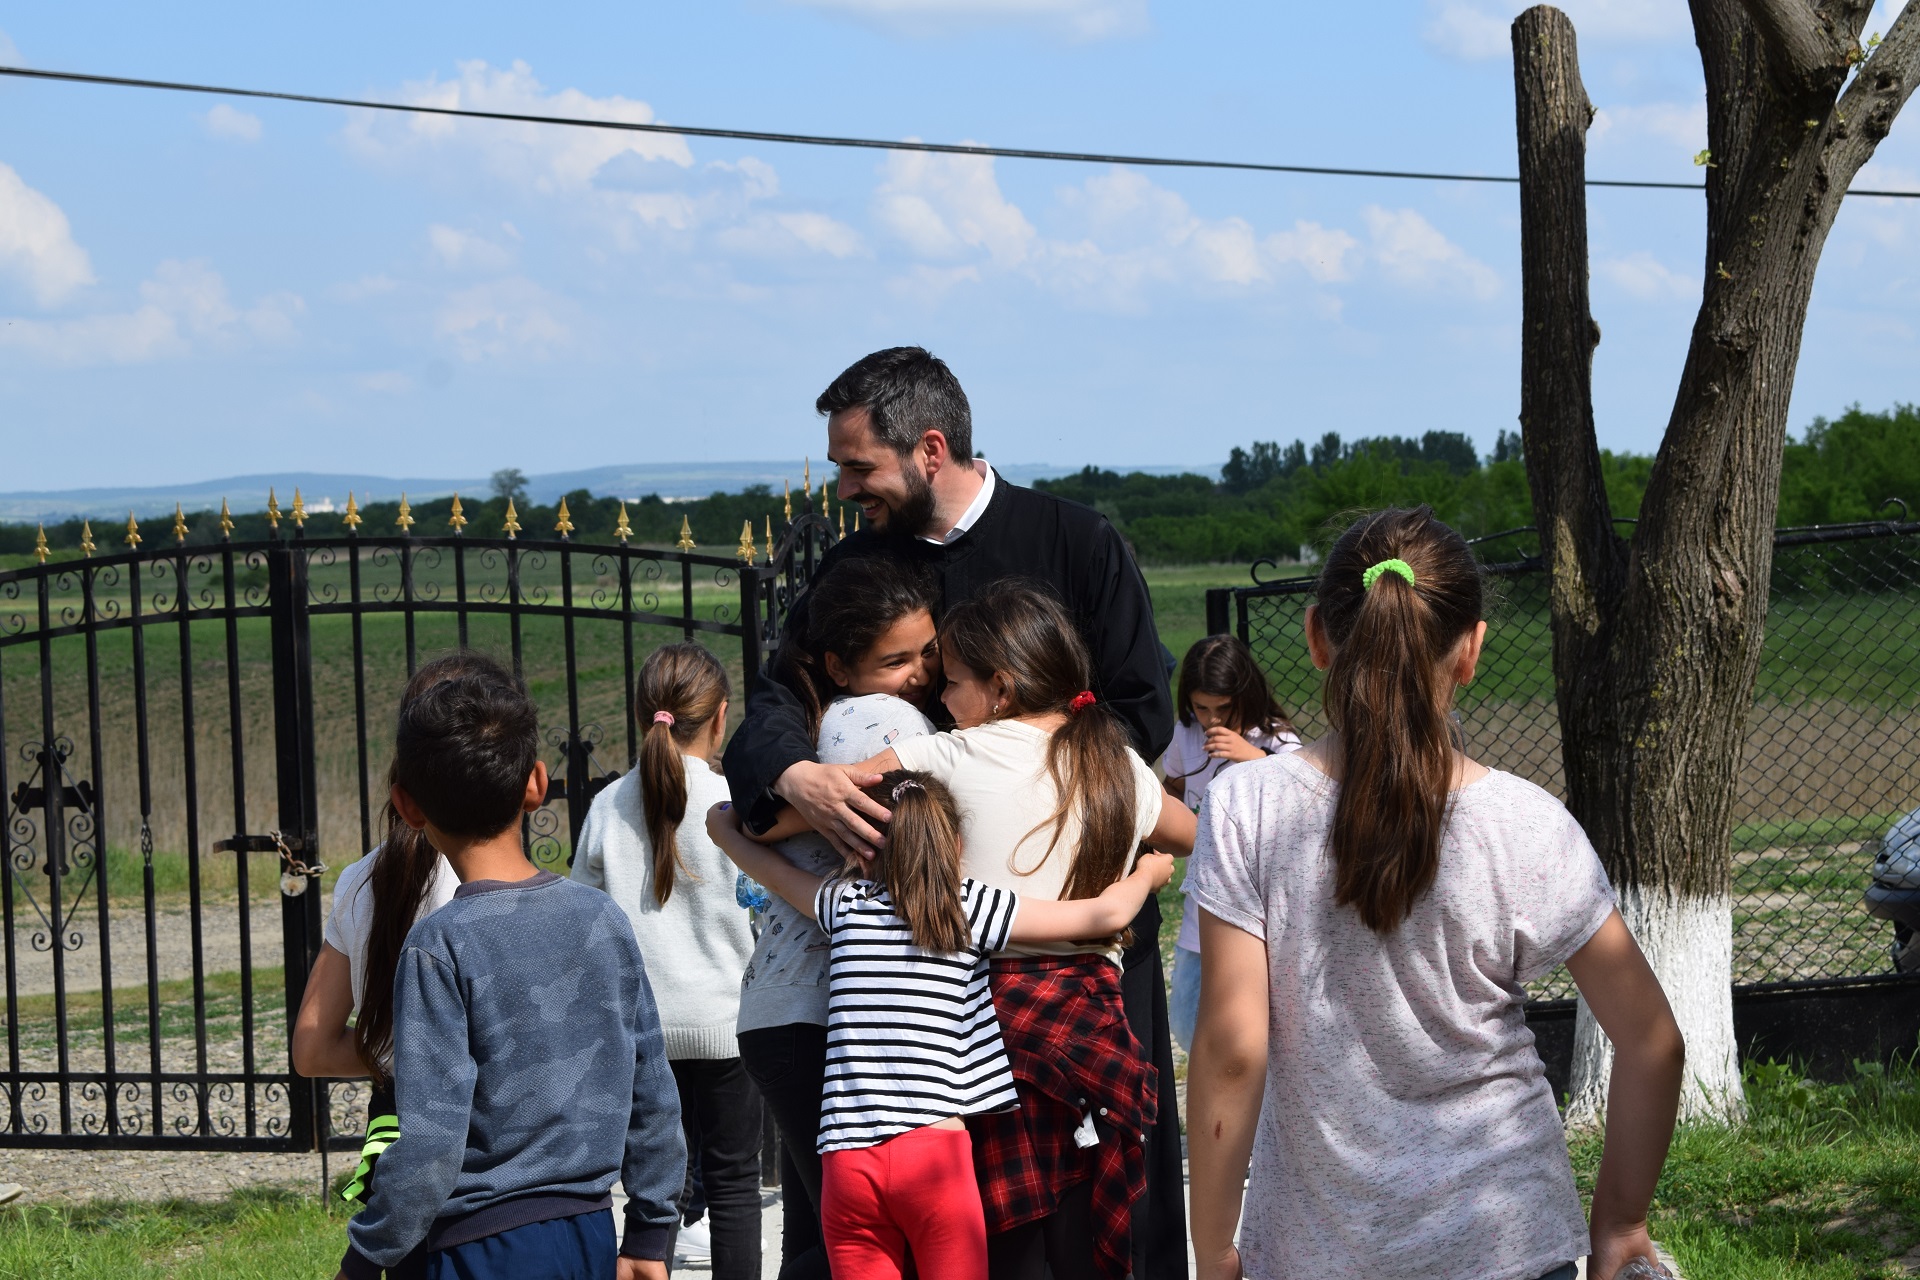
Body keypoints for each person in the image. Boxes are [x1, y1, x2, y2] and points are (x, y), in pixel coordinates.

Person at [723, 347, 1189, 1279]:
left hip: (1072, 949)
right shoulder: (856, 565)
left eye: (859, 467)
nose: (845, 488)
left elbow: (1141, 714)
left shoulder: (1074, 540)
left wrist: (1009, 772)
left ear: (930, 448)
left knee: (1112, 1218)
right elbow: (778, 699)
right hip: (925, 969)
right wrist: (799, 778)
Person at [1184, 508, 1686, 1280]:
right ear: (1472, 651)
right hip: (1514, 1244)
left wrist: (1214, 1250)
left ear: (1317, 638)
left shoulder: (1245, 807)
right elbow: (1653, 1041)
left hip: (1320, 1254)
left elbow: (1231, 1048)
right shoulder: (1528, 824)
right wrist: (1620, 1221)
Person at [848, 583, 1195, 1279]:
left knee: (1002, 1244)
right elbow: (1191, 835)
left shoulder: (947, 756)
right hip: (1094, 1020)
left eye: (951, 682)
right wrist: (1150, 864)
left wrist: (782, 787)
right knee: (1079, 1232)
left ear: (999, 688)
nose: (940, 700)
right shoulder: (1117, 762)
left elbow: (830, 795)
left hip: (978, 1026)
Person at [708, 772, 1176, 1280]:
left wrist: (721, 823)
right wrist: (1149, 872)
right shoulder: (966, 908)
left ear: (865, 848)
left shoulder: (844, 904)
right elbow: (1105, 914)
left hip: (847, 1163)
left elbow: (749, 852)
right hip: (933, 1160)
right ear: (954, 843)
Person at [334, 652, 683, 1280]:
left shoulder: (436, 946)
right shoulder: (600, 919)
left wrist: (363, 1258)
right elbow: (651, 1087)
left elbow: (433, 1143)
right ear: (537, 783)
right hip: (588, 1237)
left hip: (468, 1250)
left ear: (407, 807)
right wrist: (652, 1229)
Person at [736, 556, 943, 1280]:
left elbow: (744, 828)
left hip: (784, 1005)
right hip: (829, 1008)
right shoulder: (879, 720)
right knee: (864, 1241)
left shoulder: (816, 722)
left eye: (927, 652)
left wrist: (750, 822)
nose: (919, 672)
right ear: (838, 665)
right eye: (897, 660)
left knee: (830, 1229)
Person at [570, 643, 760, 1280]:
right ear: (720, 716)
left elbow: (586, 927)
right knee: (735, 1186)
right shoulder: (738, 802)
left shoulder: (606, 809)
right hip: (729, 1023)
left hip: (641, 1036)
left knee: (652, 1194)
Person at [292, 658, 472, 1205]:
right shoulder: (501, 883)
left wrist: (396, 1055)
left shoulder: (358, 881)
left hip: (396, 1129)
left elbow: (312, 1048)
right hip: (491, 1136)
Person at [1159, 635, 1299, 1054]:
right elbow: (1172, 790)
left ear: (1246, 694)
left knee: (1262, 1020)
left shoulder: (1275, 742)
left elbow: (1305, 799)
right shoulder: (1185, 735)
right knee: (1185, 1018)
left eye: (1223, 708)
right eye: (1202, 708)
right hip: (1204, 895)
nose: (1211, 720)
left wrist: (1252, 758)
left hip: (1264, 900)